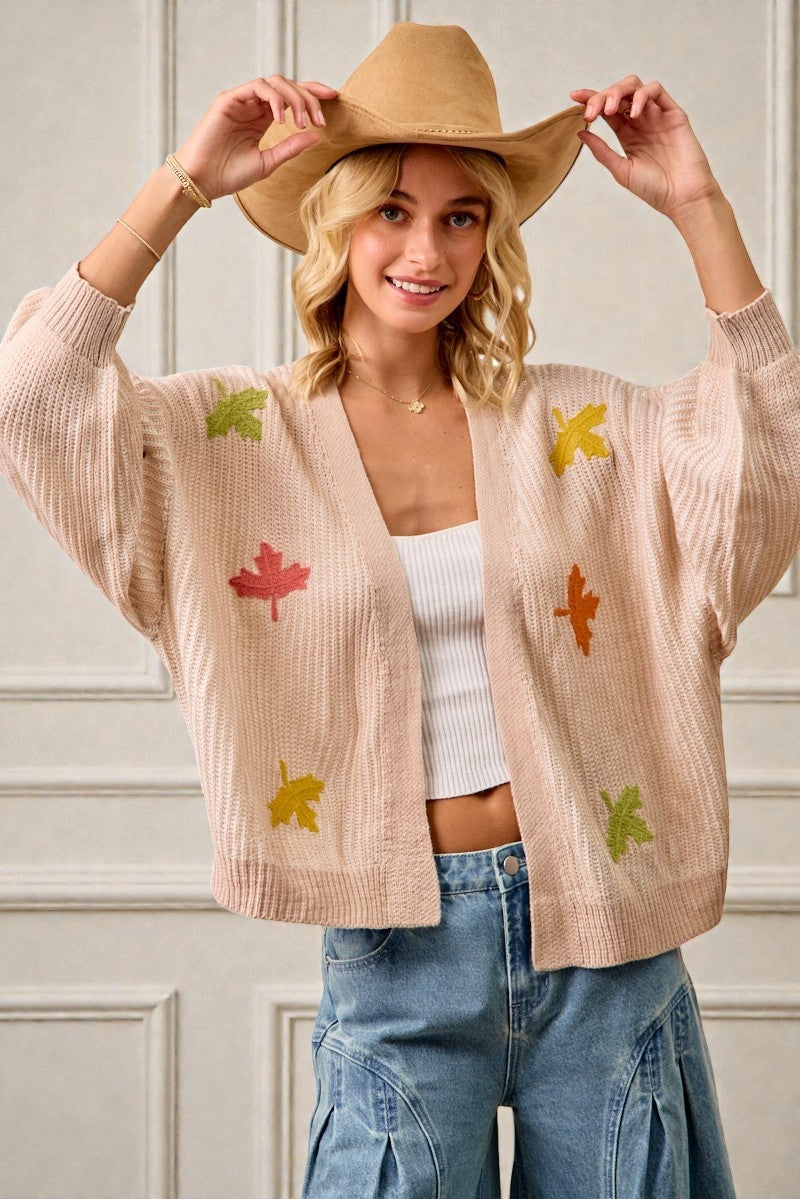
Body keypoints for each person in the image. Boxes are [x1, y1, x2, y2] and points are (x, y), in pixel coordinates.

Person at [1, 20, 798, 1198]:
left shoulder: (575, 428)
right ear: (334, 220)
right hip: (397, 954)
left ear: (490, 235)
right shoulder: (235, 437)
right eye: (391, 209)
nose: (427, 250)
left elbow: (766, 451)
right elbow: (36, 396)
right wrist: (184, 184)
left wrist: (696, 204)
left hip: (604, 934)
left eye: (460, 216)